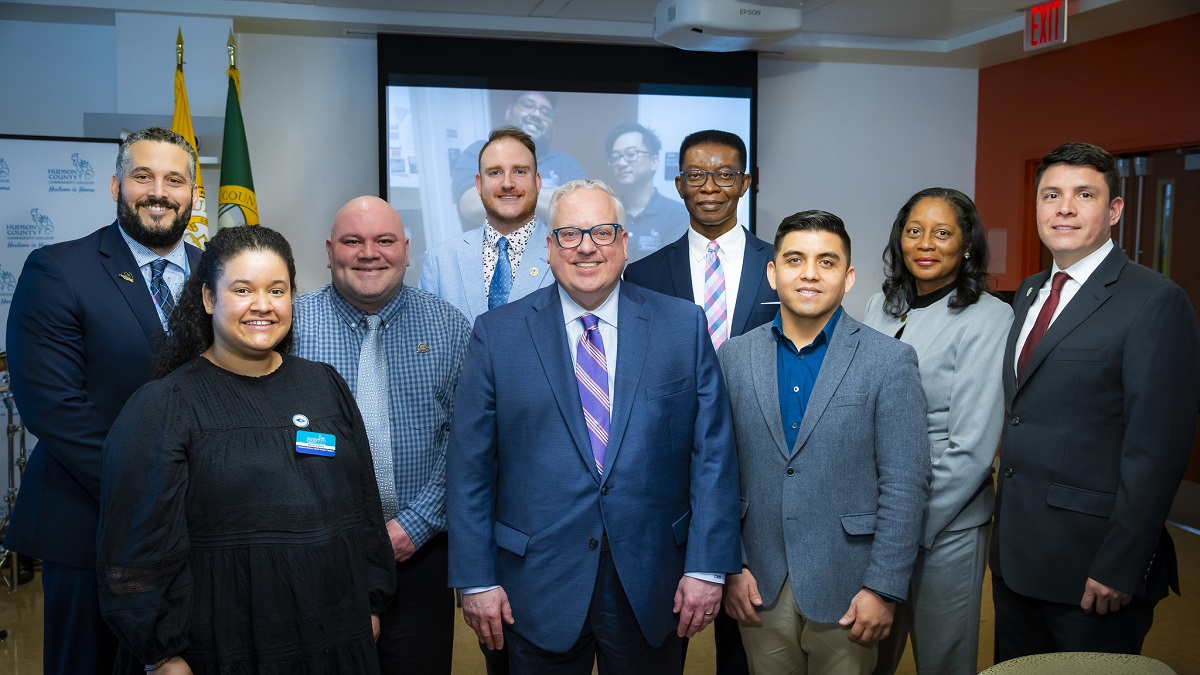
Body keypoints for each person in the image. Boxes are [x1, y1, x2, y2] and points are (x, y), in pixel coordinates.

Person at [447, 179, 741, 674]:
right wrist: (475, 579)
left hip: (654, 581)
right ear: (549, 245)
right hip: (532, 585)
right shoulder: (497, 335)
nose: (586, 246)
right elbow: (470, 467)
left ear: (624, 243)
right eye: (569, 234)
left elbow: (712, 456)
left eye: (602, 232)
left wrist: (707, 567)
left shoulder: (682, 327)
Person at [96, 225, 396, 674]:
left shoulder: (325, 387)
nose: (263, 305)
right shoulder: (164, 407)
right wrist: (161, 655)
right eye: (242, 289)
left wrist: (371, 605)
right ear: (208, 300)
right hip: (223, 643)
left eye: (277, 290)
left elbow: (365, 511)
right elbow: (133, 551)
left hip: (336, 638)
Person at [3, 127, 202, 675]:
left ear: (193, 194)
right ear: (116, 184)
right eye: (143, 176)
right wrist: (155, 490)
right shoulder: (58, 269)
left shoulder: (221, 275)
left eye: (174, 180)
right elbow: (54, 408)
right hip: (89, 526)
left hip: (200, 531)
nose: (158, 191)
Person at [991, 142, 1200, 661]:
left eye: (1084, 194)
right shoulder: (1032, 291)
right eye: (1051, 194)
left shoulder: (1154, 301)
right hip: (1018, 555)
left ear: (1114, 210)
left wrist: (1121, 564)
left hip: (1092, 568)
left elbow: (1157, 447)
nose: (1064, 208)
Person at [719, 210, 930, 675]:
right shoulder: (733, 357)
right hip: (759, 581)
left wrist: (884, 587)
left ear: (849, 277)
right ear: (772, 274)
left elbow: (906, 483)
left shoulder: (889, 361)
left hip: (850, 584)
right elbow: (717, 474)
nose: (810, 273)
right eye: (794, 260)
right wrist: (730, 565)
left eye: (827, 261)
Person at [293, 195, 470, 674]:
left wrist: (412, 528)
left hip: (422, 554)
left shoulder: (450, 326)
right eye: (353, 241)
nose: (369, 253)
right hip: (315, 555)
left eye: (384, 241)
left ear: (407, 250)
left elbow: (467, 443)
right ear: (330, 251)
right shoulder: (291, 326)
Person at [624, 128, 776, 674]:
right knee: (663, 632)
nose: (710, 186)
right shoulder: (642, 275)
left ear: (746, 183)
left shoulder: (783, 268)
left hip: (760, 469)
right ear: (679, 183)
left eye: (725, 174)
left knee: (749, 642)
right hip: (668, 476)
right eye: (696, 174)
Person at [862, 188, 1013, 675]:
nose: (926, 243)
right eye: (914, 231)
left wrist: (904, 531)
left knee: (943, 659)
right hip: (876, 515)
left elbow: (970, 450)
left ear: (967, 244)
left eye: (943, 232)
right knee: (866, 653)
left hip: (945, 524)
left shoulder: (990, 317)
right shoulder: (878, 306)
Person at [421, 126, 555, 325]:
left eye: (519, 171)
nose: (507, 183)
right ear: (478, 184)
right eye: (494, 173)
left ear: (537, 183)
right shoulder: (440, 261)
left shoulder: (565, 255)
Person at [451, 91, 585, 228]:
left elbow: (576, 210)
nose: (537, 114)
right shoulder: (480, 151)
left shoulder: (566, 164)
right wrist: (550, 200)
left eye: (545, 112)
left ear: (552, 123)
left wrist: (501, 195)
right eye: (528, 105)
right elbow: (472, 205)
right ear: (509, 111)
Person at [604, 122, 689, 261]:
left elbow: (672, 266)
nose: (621, 163)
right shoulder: (607, 211)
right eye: (615, 157)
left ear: (654, 161)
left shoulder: (677, 214)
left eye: (631, 154)